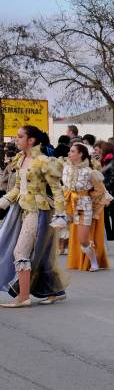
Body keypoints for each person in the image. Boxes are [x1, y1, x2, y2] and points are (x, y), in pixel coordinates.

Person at [0, 125, 68, 306]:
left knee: (20, 252)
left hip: (39, 212)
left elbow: (57, 190)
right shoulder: (21, 159)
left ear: (31, 140)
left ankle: (24, 297)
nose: (16, 139)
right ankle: (55, 290)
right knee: (40, 253)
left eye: (20, 136)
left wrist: (60, 215)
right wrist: (4, 201)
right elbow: (18, 188)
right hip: (22, 210)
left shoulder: (44, 161)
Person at [62, 142, 109, 271]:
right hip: (69, 205)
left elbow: (100, 190)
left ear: (80, 154)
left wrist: (89, 199)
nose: (69, 154)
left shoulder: (89, 172)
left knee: (83, 239)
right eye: (70, 151)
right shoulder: (66, 168)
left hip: (84, 206)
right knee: (58, 232)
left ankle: (93, 261)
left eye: (72, 151)